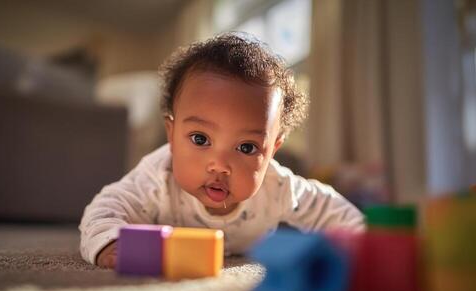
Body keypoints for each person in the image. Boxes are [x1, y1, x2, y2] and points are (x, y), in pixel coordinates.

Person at [79, 33, 365, 268]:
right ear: (172, 133)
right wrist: (111, 242)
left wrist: (363, 243)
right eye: (200, 139)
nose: (219, 165)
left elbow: (331, 209)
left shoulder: (277, 186)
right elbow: (103, 209)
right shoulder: (156, 178)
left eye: (246, 147)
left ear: (272, 150)